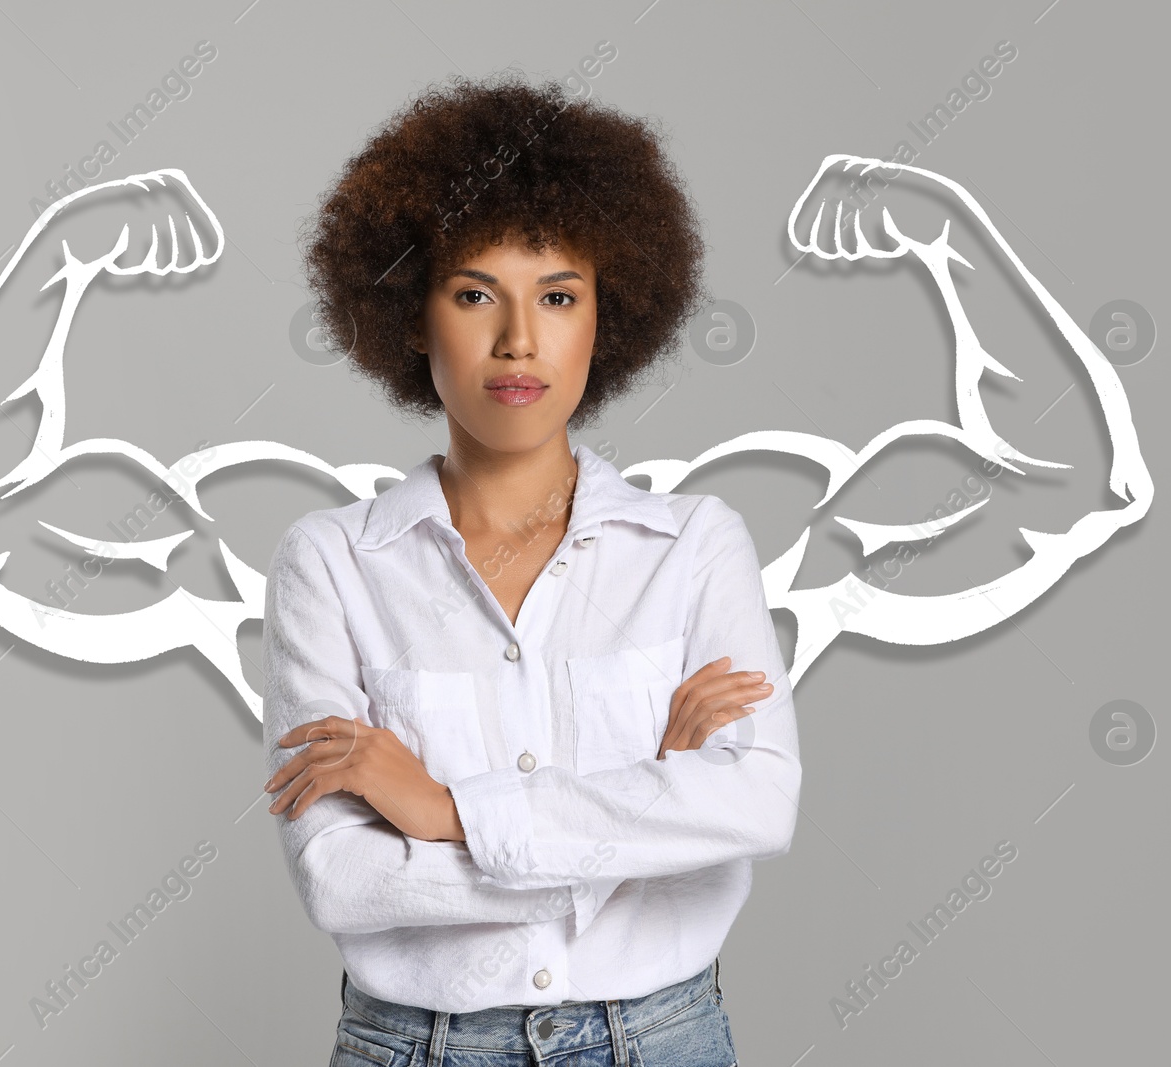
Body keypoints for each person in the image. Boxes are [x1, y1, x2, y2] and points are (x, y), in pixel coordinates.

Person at [262, 71, 802, 1066]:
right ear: (412, 316)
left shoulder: (693, 547)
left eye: (558, 295)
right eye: (475, 295)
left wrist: (442, 812)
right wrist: (644, 816)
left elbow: (758, 803)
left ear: (609, 314)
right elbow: (342, 878)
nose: (519, 340)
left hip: (662, 1041)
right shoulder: (332, 565)